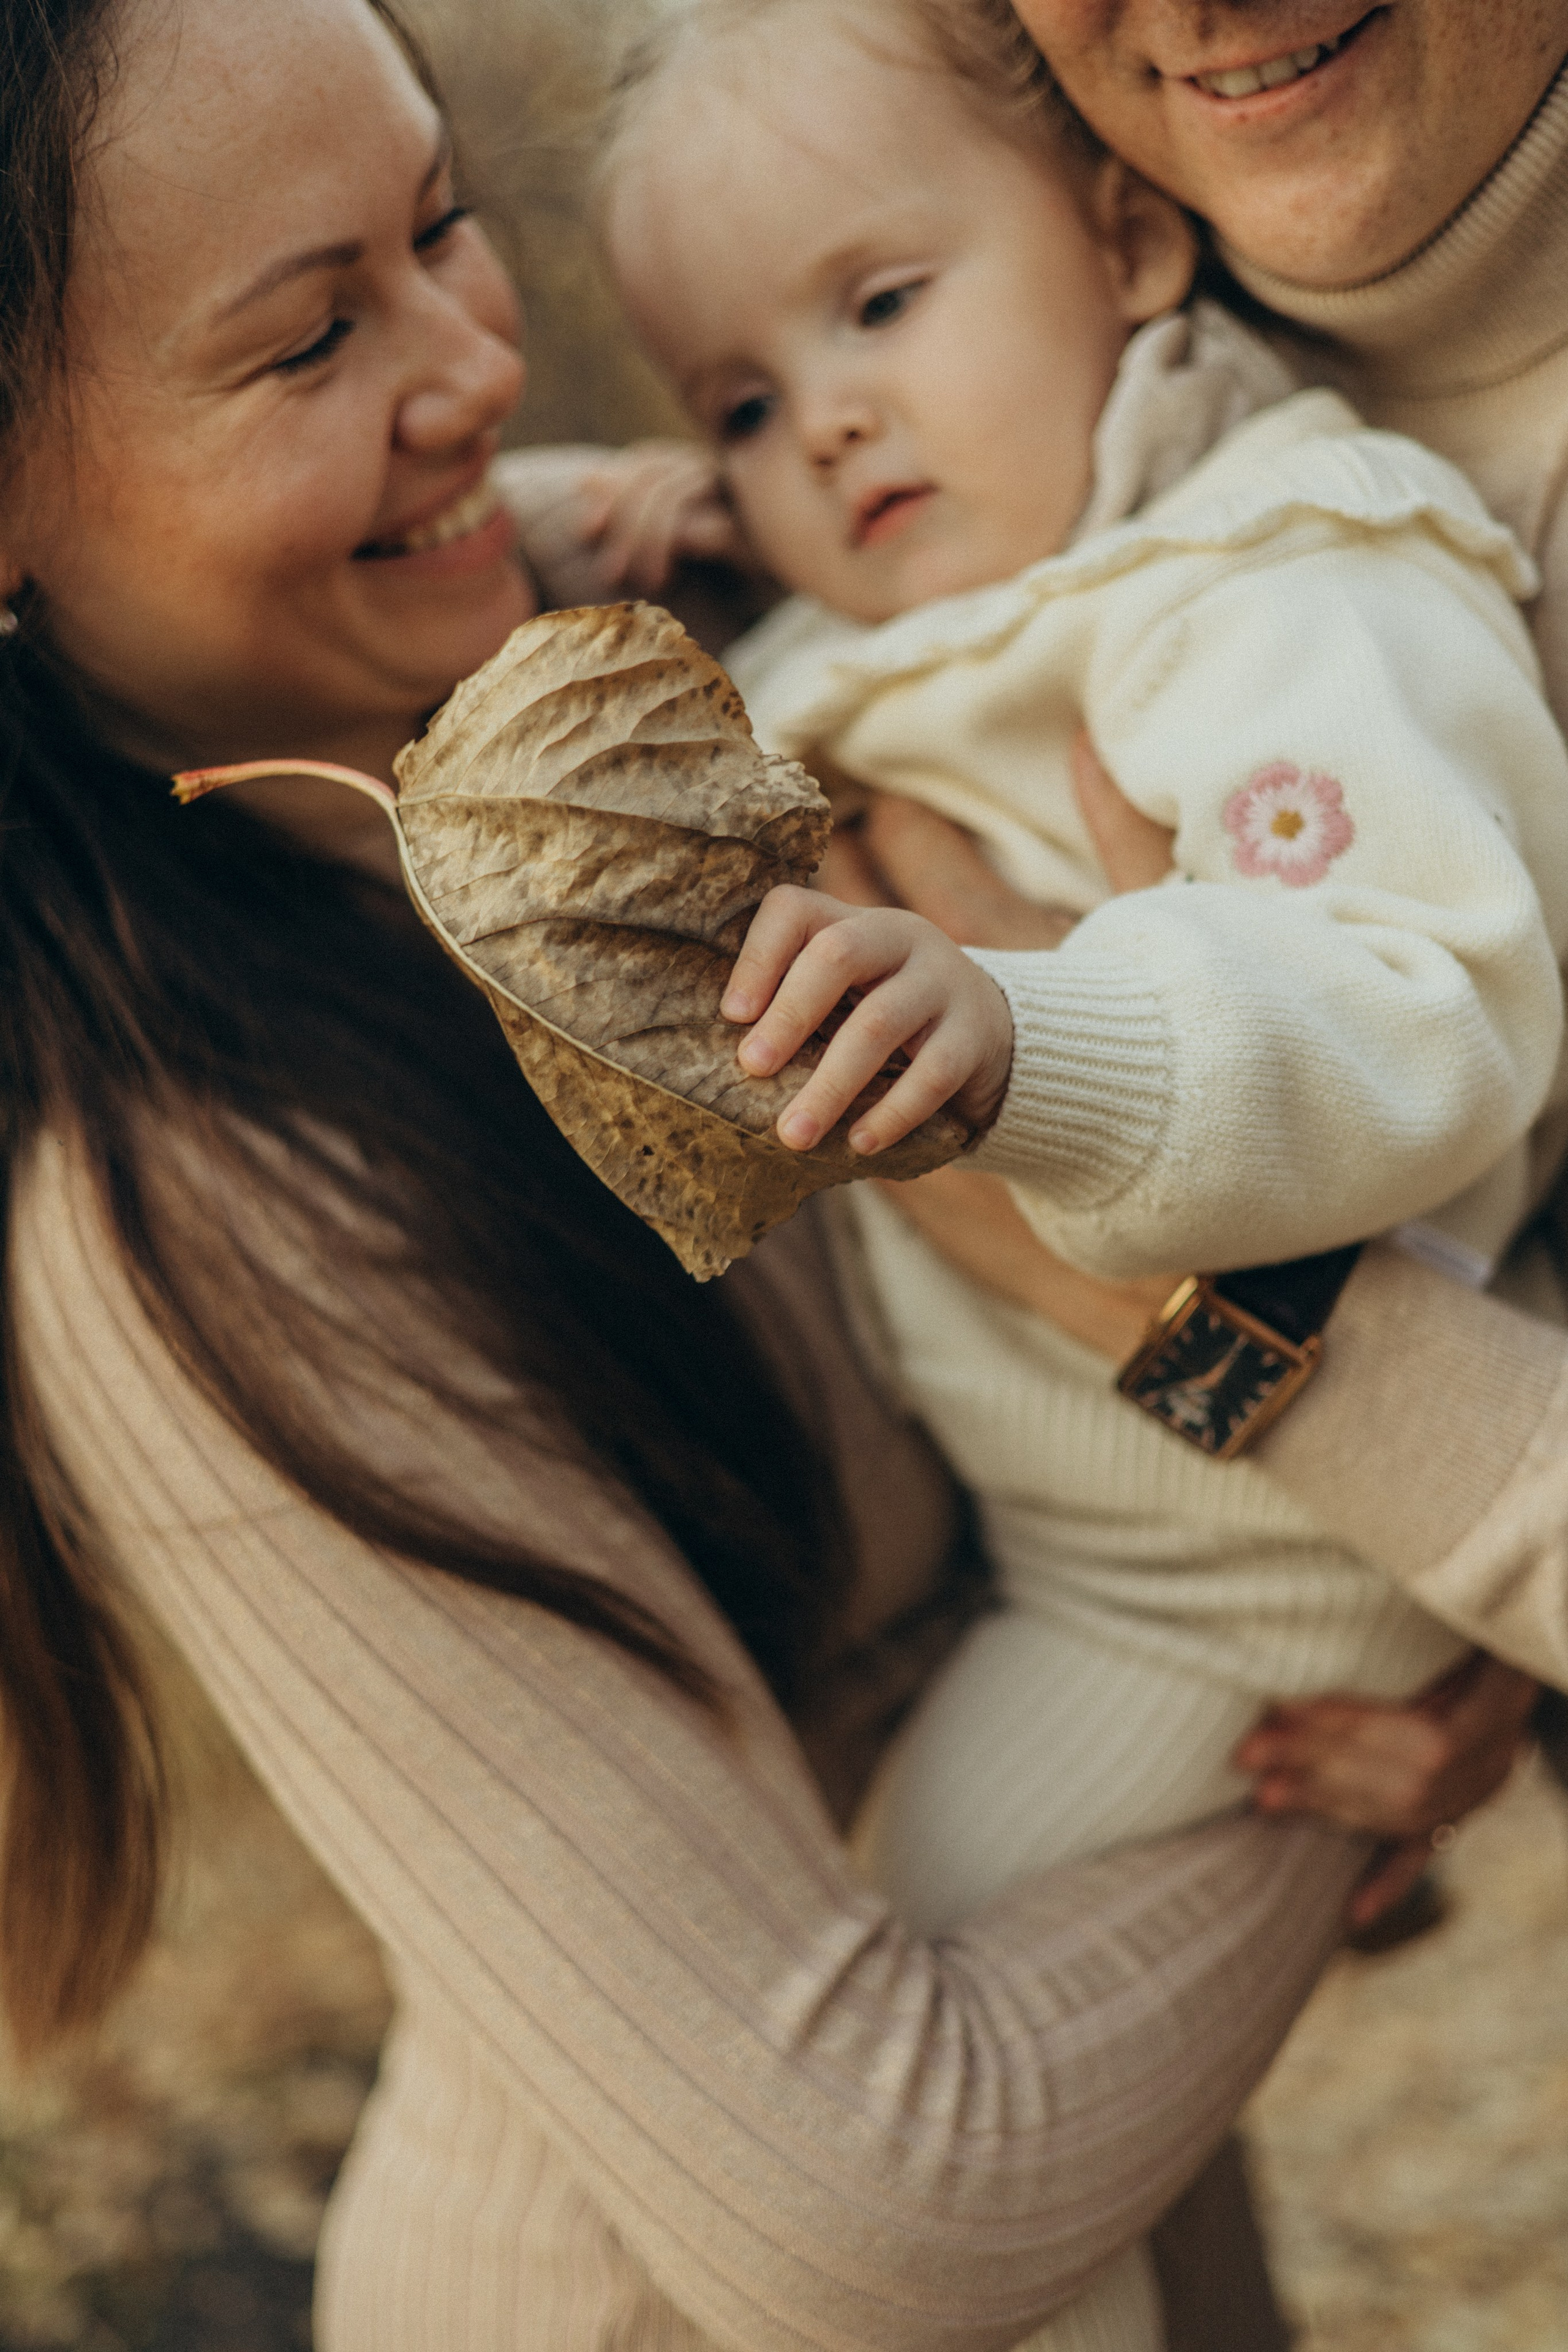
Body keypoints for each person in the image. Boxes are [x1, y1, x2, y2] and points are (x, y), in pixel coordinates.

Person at [2, 1, 1519, 2348]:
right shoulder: (189, 1222)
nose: (478, 372)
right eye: (311, 333)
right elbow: (862, 2209)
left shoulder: (730, 625)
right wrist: (1331, 1768)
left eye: (446, 227)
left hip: (1109, 2163)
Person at [589, 6, 1568, 2342]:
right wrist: (617, 516)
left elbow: (1406, 1009)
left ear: (1133, 242)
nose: (817, 415)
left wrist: (1050, 1032)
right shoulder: (933, 597)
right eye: (739, 394)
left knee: (926, 2000)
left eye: (879, 307)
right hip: (1093, 1523)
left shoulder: (1274, 586)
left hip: (1230, 1578)